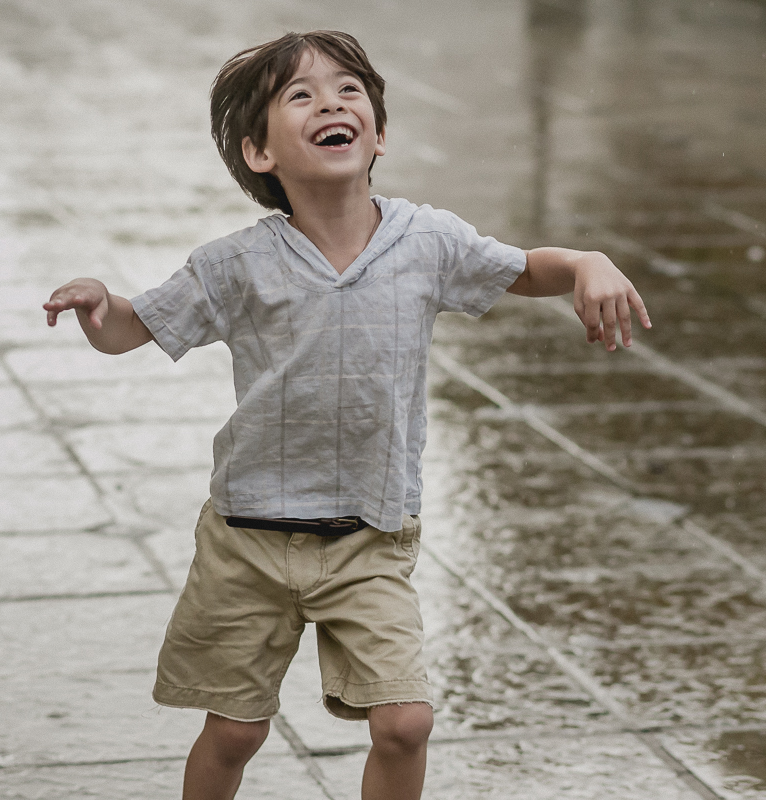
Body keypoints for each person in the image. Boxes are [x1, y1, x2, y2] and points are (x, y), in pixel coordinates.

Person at [42, 30, 650, 800]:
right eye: (300, 95)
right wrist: (102, 305)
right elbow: (138, 325)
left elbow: (528, 269)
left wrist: (586, 265)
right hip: (248, 541)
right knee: (234, 730)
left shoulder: (426, 242)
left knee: (405, 723)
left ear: (379, 134)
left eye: (348, 90)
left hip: (369, 535)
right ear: (258, 153)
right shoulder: (234, 265)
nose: (330, 101)